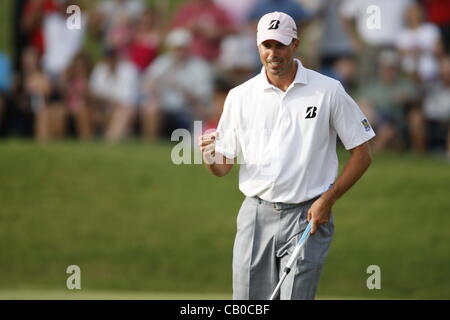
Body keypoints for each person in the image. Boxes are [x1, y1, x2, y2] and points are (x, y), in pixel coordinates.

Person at [198, 11, 375, 300]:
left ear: (295, 44)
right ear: (258, 47)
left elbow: (362, 152)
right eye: (267, 45)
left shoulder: (328, 90)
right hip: (255, 214)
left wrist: (327, 200)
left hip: (309, 214)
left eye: (280, 45)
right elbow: (223, 167)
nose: (273, 53)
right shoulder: (240, 96)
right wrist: (208, 157)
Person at [140, 28, 213, 140]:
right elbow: (147, 83)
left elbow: (202, 98)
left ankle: (196, 136)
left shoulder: (199, 67)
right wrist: (153, 90)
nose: (179, 52)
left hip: (187, 109)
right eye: (176, 49)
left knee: (201, 111)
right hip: (165, 107)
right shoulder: (162, 63)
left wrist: (181, 88)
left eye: (182, 48)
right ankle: (149, 143)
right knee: (151, 107)